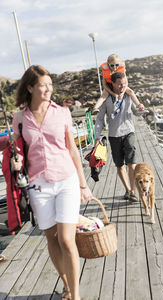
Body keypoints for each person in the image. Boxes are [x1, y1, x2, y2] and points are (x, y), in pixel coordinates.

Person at [10, 65, 92, 300]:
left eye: (50, 85)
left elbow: (73, 150)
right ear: (30, 88)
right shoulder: (20, 118)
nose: (48, 89)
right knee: (51, 237)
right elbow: (17, 147)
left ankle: (75, 296)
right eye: (43, 85)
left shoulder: (62, 113)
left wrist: (83, 184)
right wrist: (16, 161)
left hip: (66, 179)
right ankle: (66, 285)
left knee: (67, 238)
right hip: (38, 185)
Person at [95, 72, 138, 202]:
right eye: (119, 84)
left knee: (132, 163)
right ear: (112, 84)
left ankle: (133, 191)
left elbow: (136, 111)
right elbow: (99, 119)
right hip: (114, 135)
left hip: (129, 132)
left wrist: (141, 109)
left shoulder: (128, 95)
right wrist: (97, 137)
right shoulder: (106, 99)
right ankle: (127, 189)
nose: (122, 86)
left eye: (124, 84)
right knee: (120, 165)